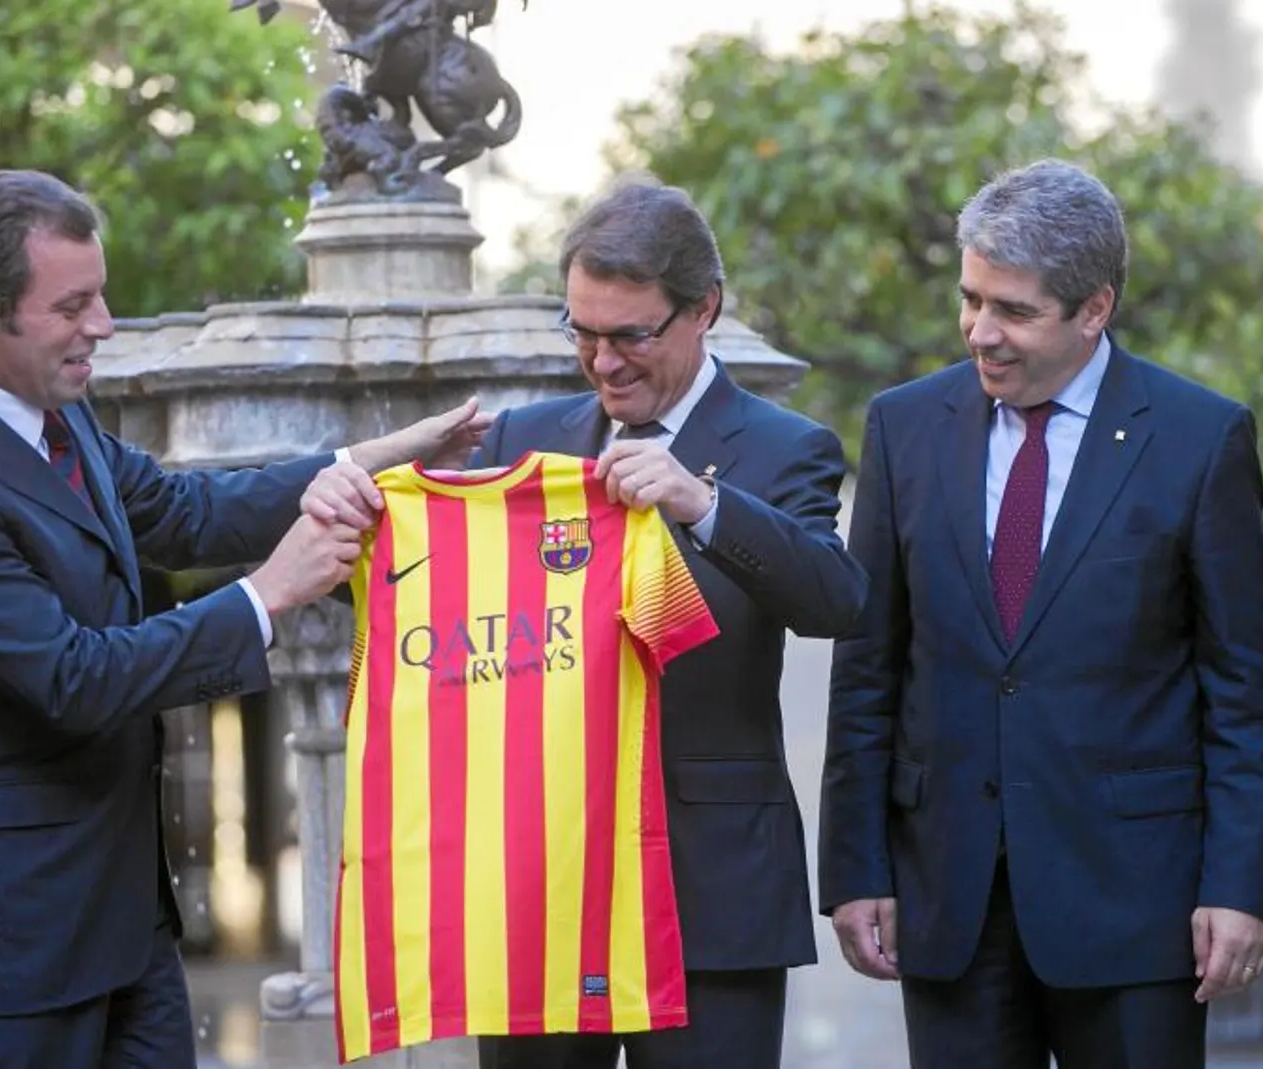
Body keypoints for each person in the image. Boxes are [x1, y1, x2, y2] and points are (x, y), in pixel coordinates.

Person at [0, 169, 488, 1069]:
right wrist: (269, 593)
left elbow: (189, 511)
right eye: (73, 305)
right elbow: (73, 679)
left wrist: (379, 458)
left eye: (99, 296)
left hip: (122, 924)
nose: (102, 325)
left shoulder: (58, 414)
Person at [302, 177, 868, 1068]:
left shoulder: (784, 447)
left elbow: (837, 599)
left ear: (703, 310)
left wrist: (703, 503)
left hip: (706, 887)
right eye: (584, 332)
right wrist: (346, 518)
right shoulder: (519, 441)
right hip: (536, 888)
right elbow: (425, 599)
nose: (604, 361)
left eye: (631, 334)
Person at [819, 158, 1263, 1069]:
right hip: (950, 898)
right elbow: (868, 669)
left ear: (1095, 309)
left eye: (1013, 311)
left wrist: (1241, 888)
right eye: (971, 299)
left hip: (1136, 907)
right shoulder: (902, 427)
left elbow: (1244, 692)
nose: (979, 333)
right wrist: (856, 868)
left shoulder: (1200, 439)